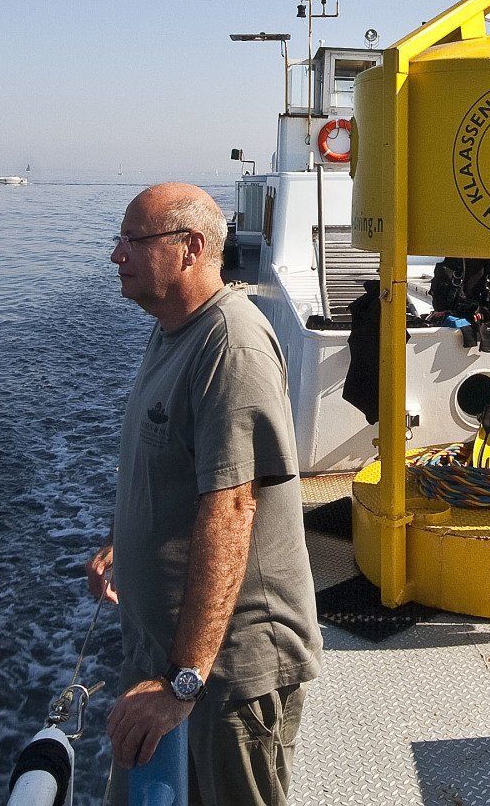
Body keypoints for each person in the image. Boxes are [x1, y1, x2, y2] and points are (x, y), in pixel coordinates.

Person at [87, 182, 322, 805]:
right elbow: (172, 464)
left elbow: (233, 508)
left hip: (224, 674)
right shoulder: (174, 330)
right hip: (168, 659)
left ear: (190, 248)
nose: (117, 255)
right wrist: (123, 540)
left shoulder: (231, 346)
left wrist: (182, 683)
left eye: (134, 240)